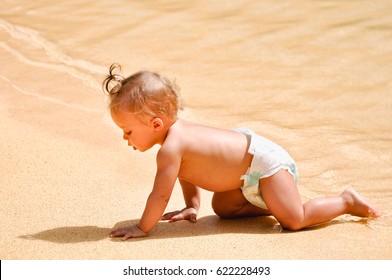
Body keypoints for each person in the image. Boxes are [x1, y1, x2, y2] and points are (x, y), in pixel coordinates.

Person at [103, 63, 380, 240]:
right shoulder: (175, 142)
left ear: (155, 124)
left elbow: (160, 194)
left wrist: (143, 227)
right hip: (246, 173)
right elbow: (186, 174)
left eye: (128, 131)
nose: (125, 137)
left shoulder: (171, 148)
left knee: (294, 220)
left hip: (266, 164)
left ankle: (345, 201)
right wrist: (192, 206)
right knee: (223, 208)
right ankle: (273, 203)